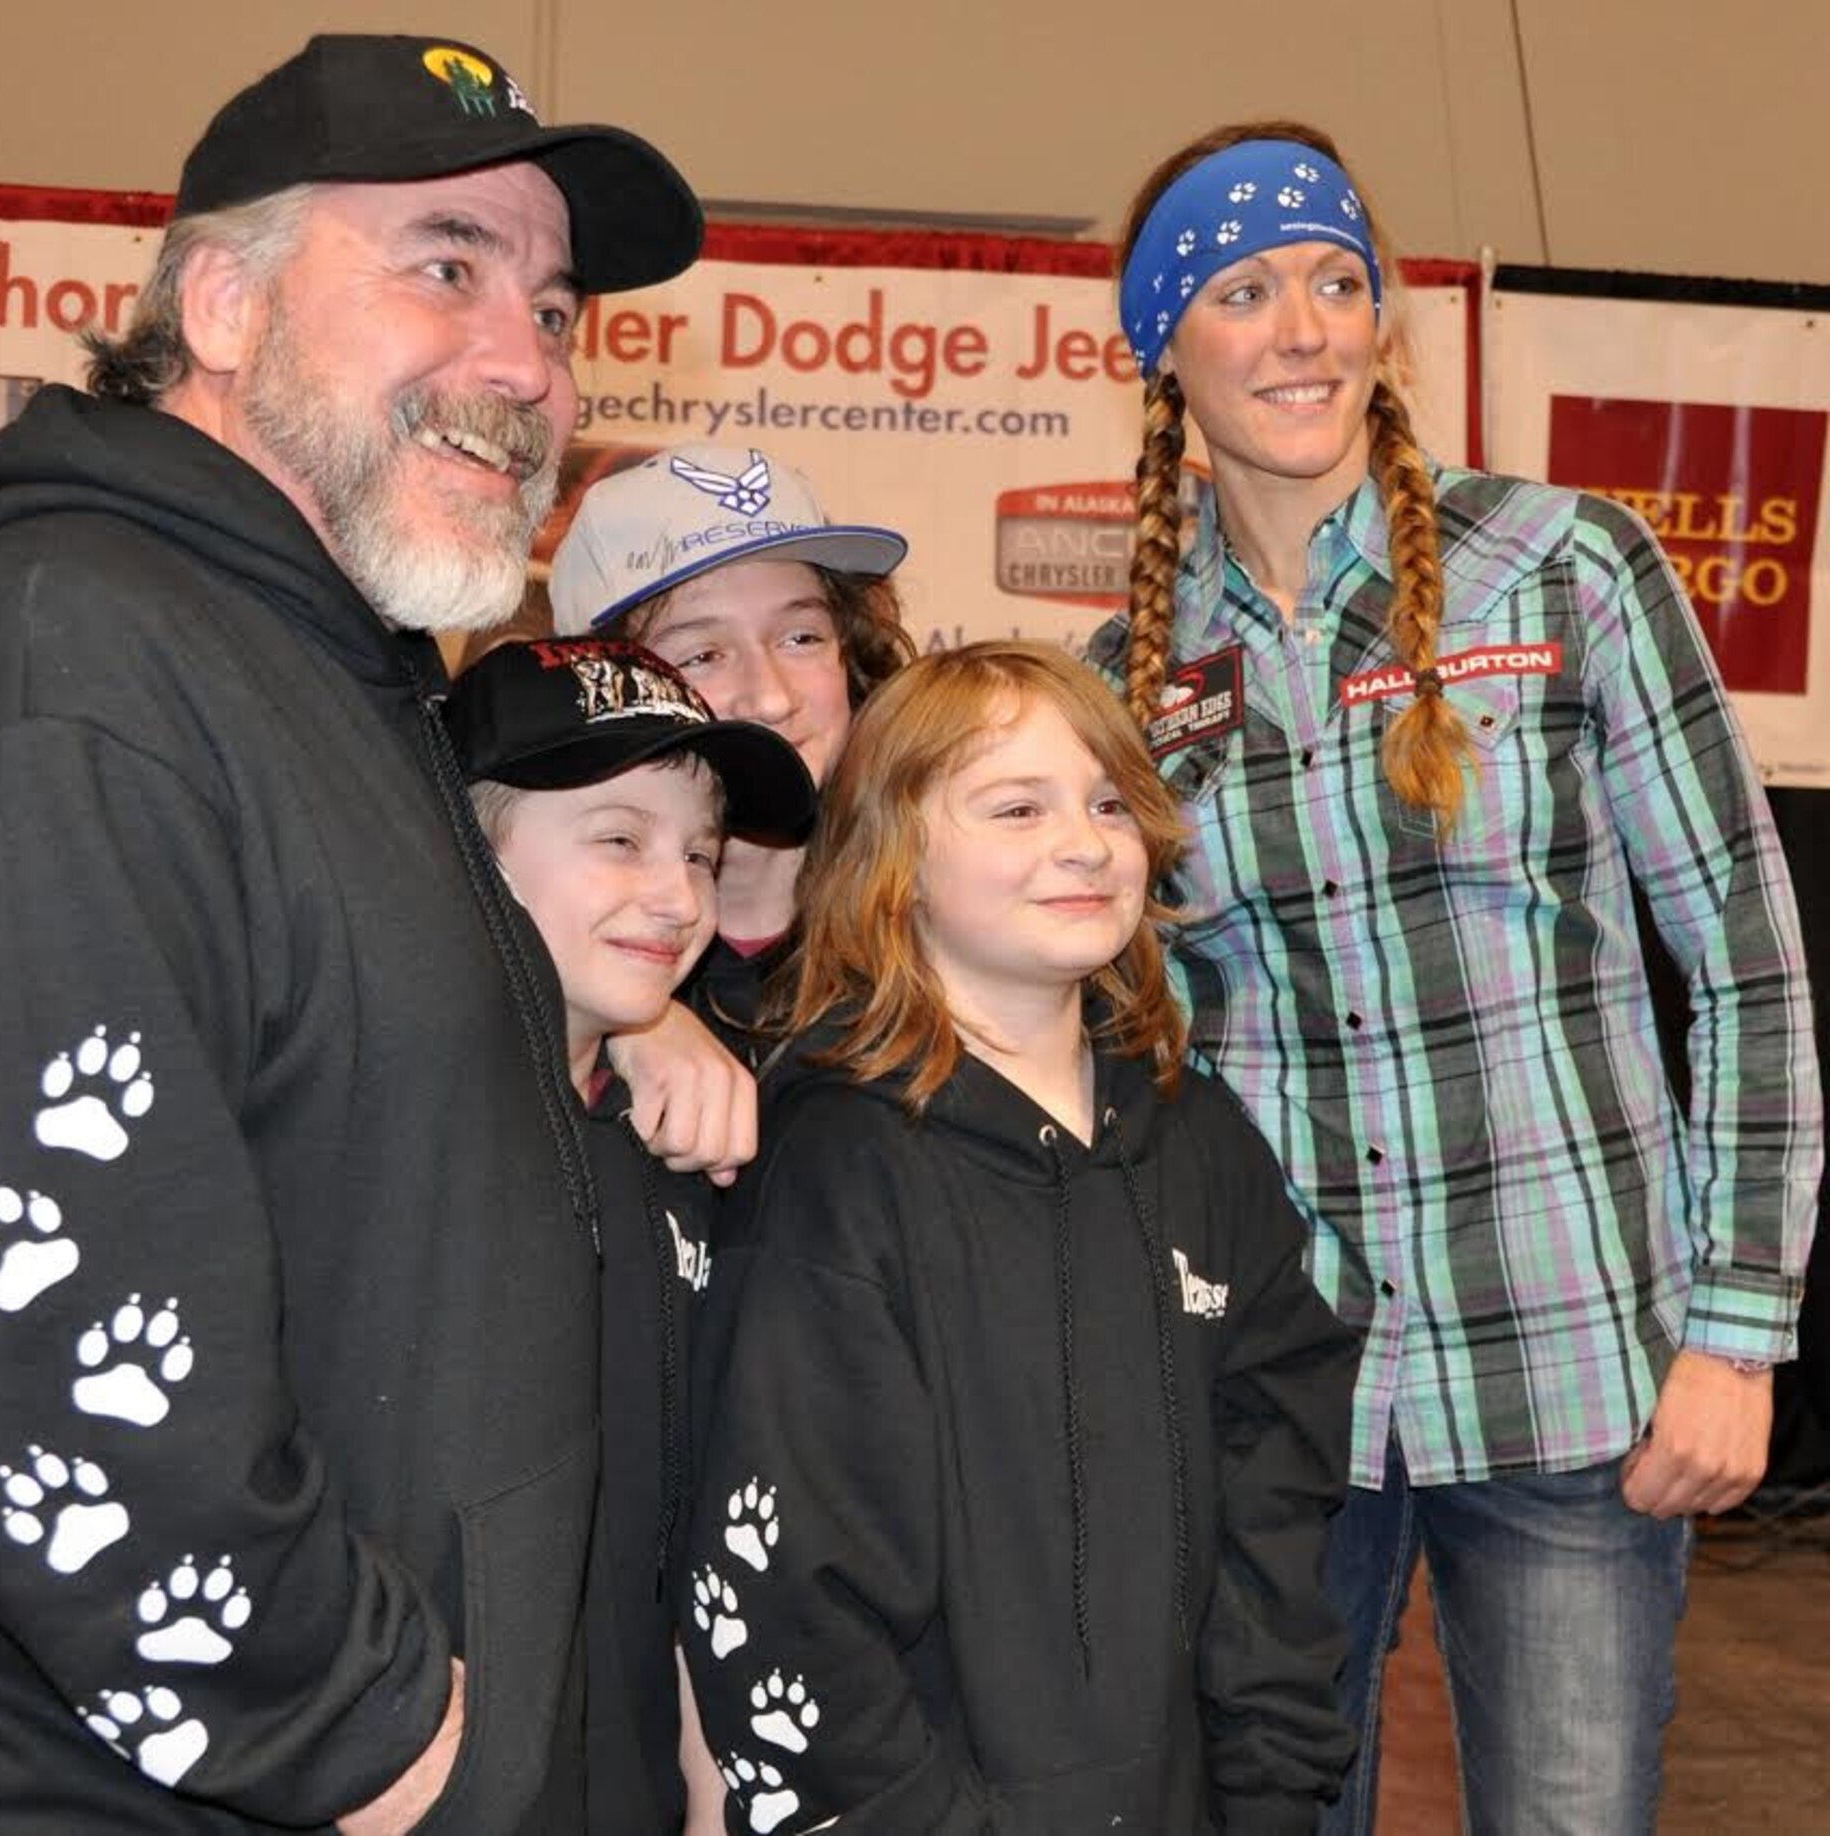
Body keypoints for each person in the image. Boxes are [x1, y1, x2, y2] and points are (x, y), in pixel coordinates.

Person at [0, 33, 708, 1835]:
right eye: (446, 267)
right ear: (219, 305)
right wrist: (354, 1724)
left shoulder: (334, 684)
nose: (526, 359)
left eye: (554, 306)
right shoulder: (58, 672)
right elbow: (29, 1319)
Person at [1088, 122, 1824, 1834]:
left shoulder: (1566, 567)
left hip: (1577, 1380)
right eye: (1248, 289)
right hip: (1278, 1406)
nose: (1305, 329)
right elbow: (1127, 1061)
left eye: (1340, 283)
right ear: (1162, 345)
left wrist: (1737, 1330)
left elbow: (1748, 960)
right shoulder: (1123, 673)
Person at [679, 641, 1360, 1834]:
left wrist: (1268, 1796)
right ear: (894, 861)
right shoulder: (835, 1169)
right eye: (1015, 807)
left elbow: (1276, 1524)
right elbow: (794, 1595)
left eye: (1107, 801)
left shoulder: (1201, 1143)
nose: (1085, 842)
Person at [444, 635, 815, 1835]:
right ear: (465, 847)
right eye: (618, 839)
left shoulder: (689, 1156)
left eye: (699, 854)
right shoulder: (386, 1154)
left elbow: (713, 1543)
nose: (677, 897)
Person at [549, 442, 914, 1061]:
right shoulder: (539, 944)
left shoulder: (940, 912)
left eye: (802, 637)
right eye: (702, 656)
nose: (771, 699)